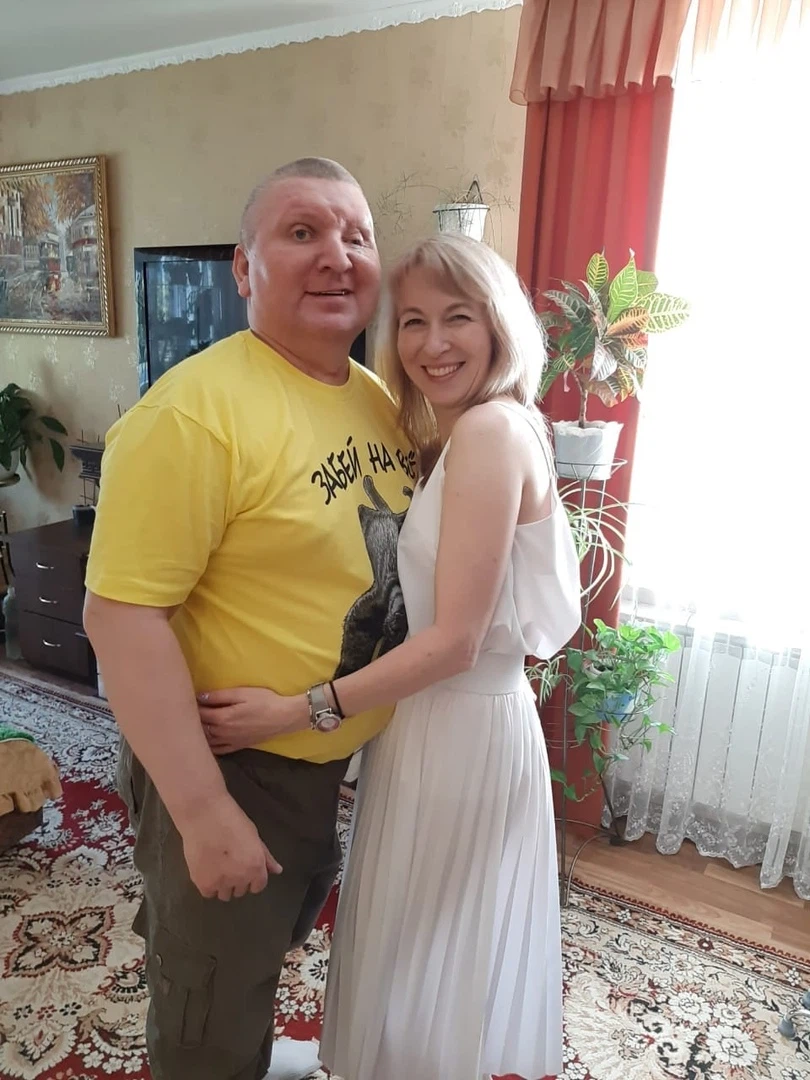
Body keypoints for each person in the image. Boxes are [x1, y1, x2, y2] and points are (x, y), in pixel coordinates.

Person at [198, 233, 583, 1080]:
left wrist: (298, 708)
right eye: (412, 321)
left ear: (498, 324)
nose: (432, 343)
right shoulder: (479, 428)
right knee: (420, 937)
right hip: (446, 723)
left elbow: (454, 641)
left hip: (458, 727)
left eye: (457, 318)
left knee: (426, 938)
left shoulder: (488, 432)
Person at [83, 157, 415, 1080]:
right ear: (243, 266)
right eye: (302, 232)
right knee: (207, 1009)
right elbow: (121, 620)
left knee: (258, 954)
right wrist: (202, 813)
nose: (337, 256)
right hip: (233, 768)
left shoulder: (373, 396)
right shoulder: (192, 415)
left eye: (356, 235)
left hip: (320, 757)